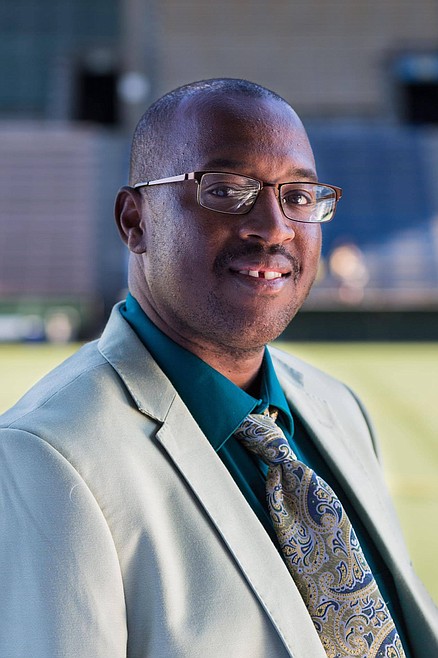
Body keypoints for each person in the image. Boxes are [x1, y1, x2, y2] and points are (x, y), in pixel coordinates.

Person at [0, 78, 436, 658]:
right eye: (227, 190)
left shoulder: (337, 407)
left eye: (299, 196)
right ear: (135, 221)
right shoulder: (47, 458)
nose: (275, 227)